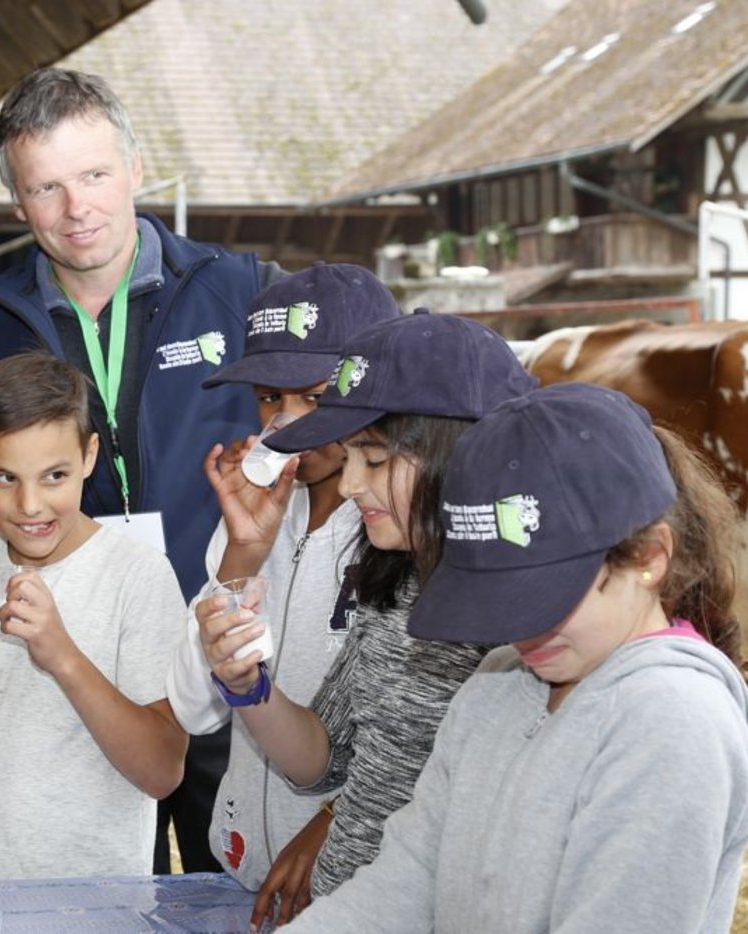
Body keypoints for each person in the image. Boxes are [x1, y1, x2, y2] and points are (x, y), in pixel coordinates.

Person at [0, 66, 282, 872]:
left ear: (136, 169)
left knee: (240, 886)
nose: (77, 209)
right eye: (46, 187)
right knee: (108, 882)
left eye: (94, 175)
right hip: (78, 681)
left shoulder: (242, 295)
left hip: (221, 652)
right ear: (17, 203)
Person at [285, 382, 748, 932]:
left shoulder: (671, 722)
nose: (521, 625)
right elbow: (406, 881)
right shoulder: (496, 681)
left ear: (648, 557)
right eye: (500, 596)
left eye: (546, 595)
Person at [198, 312, 537, 922]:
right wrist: (248, 685)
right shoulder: (399, 577)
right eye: (351, 456)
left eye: (375, 461)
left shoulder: (533, 627)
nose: (352, 484)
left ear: (459, 454)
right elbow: (325, 758)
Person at [165, 263, 400, 921]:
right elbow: (192, 708)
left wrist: (338, 816)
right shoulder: (257, 508)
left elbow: (423, 731)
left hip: (361, 882)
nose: (288, 422)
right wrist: (243, 554)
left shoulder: (399, 526)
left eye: (316, 398)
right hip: (246, 870)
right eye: (271, 398)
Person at [0, 351, 188, 878]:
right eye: (4, 478)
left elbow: (162, 770)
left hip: (97, 904)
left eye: (54, 475)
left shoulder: (139, 575)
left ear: (89, 456)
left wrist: (62, 655)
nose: (31, 505)